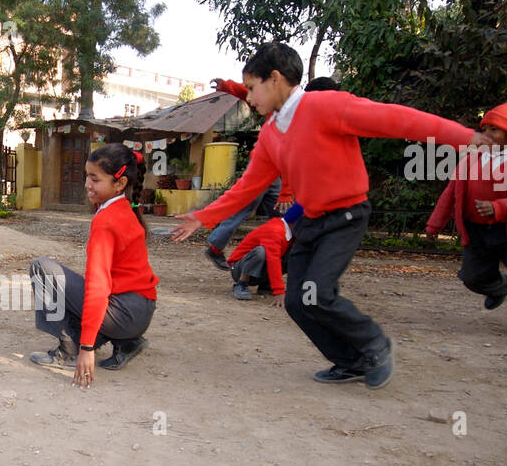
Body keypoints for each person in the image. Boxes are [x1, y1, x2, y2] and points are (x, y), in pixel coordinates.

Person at [172, 42, 485, 388]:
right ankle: (351, 361)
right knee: (298, 300)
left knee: (317, 292)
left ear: (275, 79)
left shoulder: (325, 106)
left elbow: (398, 120)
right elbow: (247, 187)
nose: (248, 97)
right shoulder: (271, 134)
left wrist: (464, 138)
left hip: (346, 214)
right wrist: (204, 216)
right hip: (312, 219)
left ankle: (375, 344)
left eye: (251, 87)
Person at [28, 143, 158, 386]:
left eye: (95, 179)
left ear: (119, 183)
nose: (88, 184)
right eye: (87, 177)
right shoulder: (125, 209)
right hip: (141, 311)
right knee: (74, 286)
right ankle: (127, 342)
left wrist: (86, 348)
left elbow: (98, 287)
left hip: (124, 314)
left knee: (42, 268)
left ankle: (69, 349)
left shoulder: (106, 220)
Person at [425, 99, 507, 340]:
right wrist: (435, 223)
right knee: (472, 277)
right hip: (476, 230)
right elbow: (451, 192)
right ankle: (499, 287)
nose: (487, 134)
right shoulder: (471, 158)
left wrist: (499, 208)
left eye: (494, 129)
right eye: (484, 129)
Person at [202, 77, 341, 271]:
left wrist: (227, 86)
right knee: (246, 205)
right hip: (264, 166)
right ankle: (215, 247)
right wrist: (286, 192)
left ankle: (283, 257)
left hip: (274, 172)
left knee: (284, 215)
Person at [228, 202, 305, 302]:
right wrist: (279, 291)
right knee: (261, 252)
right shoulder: (275, 230)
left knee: (295, 253)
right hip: (238, 269)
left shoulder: (291, 233)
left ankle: (265, 285)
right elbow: (273, 260)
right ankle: (241, 283)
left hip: (260, 271)